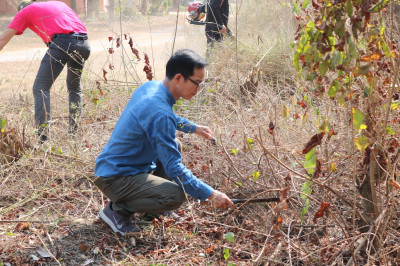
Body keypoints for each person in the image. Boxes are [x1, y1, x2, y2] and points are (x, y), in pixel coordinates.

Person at [94, 49, 234, 235]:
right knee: (176, 195)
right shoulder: (161, 113)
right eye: (197, 83)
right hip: (115, 179)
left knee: (175, 144)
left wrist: (193, 127)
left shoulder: (152, 88)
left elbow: (165, 117)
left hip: (112, 167)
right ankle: (117, 211)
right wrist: (210, 194)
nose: (198, 90)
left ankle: (150, 211)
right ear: (178, 78)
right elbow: (174, 168)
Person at [0, 0, 91, 141]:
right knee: (74, 87)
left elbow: (3, 39)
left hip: (63, 43)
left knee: (40, 88)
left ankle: (42, 138)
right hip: (84, 44)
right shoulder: (57, 4)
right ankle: (74, 132)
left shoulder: (25, 11)